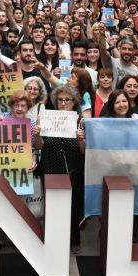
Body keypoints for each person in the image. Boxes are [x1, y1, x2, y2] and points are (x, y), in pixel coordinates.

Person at [38, 84, 87, 251]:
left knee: (73, 205)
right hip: (50, 167)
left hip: (73, 169)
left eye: (67, 100)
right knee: (52, 204)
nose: (64, 103)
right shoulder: (47, 119)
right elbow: (40, 145)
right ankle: (52, 240)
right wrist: (37, 135)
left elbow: (84, 151)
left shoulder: (81, 122)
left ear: (74, 102)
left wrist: (81, 140)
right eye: (60, 100)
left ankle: (74, 240)